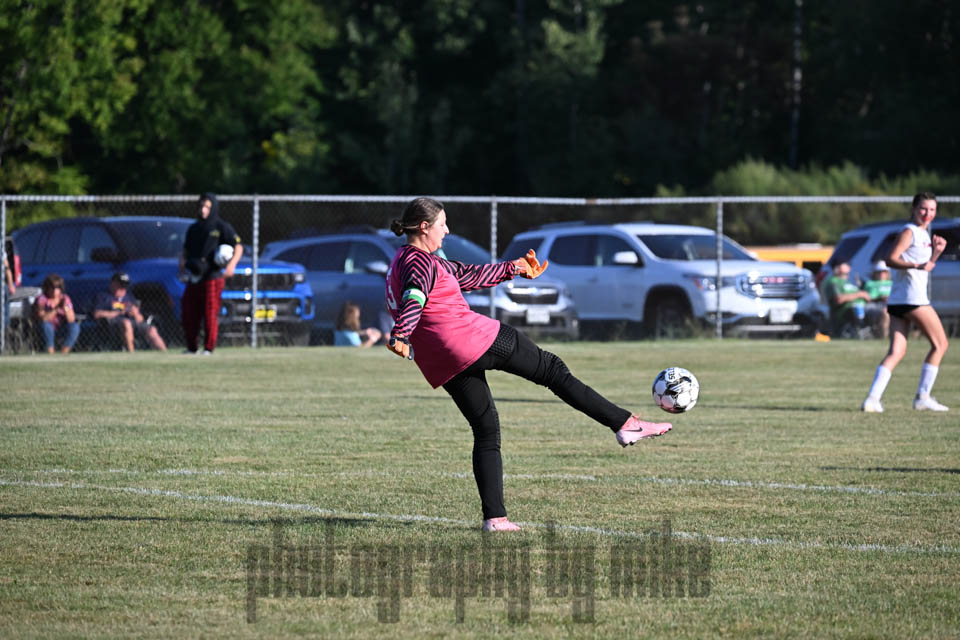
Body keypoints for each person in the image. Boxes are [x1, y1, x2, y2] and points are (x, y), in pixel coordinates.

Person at [384, 197, 671, 532]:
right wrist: (401, 332)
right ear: (424, 227)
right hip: (471, 338)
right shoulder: (419, 263)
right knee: (552, 369)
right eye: (442, 224)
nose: (446, 231)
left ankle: (496, 519)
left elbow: (466, 275)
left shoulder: (407, 260)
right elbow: (415, 295)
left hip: (443, 359)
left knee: (486, 429)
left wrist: (515, 268)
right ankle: (624, 424)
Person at [862, 192, 949, 412]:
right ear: (913, 208)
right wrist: (917, 266)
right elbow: (891, 259)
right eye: (923, 209)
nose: (927, 214)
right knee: (941, 344)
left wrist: (936, 254)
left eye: (932, 210)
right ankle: (922, 396)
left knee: (897, 351)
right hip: (913, 299)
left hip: (900, 300)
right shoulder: (910, 231)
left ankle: (872, 399)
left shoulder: (924, 233)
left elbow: (924, 266)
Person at [178, 192, 243, 354]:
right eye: (201, 206)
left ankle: (208, 347)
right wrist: (182, 262)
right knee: (189, 312)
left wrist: (231, 265)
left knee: (210, 313)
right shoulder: (193, 228)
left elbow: (238, 247)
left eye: (207, 206)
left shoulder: (221, 226)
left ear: (213, 208)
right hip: (194, 276)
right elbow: (185, 251)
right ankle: (191, 347)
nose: (203, 210)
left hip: (212, 277)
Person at [92, 272, 167, 352]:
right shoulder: (103, 296)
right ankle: (131, 354)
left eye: (125, 286)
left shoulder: (129, 297)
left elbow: (140, 319)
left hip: (133, 323)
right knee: (126, 323)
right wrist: (119, 312)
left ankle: (164, 354)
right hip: (112, 325)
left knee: (151, 329)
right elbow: (96, 314)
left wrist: (135, 314)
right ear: (113, 284)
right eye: (120, 285)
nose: (123, 288)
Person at [821, 261, 871, 337]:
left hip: (864, 308)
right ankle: (860, 332)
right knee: (856, 308)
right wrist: (859, 294)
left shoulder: (851, 282)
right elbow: (838, 299)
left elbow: (867, 296)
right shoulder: (833, 281)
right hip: (844, 313)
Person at [34, 273, 79, 354]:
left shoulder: (65, 298)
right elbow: (43, 319)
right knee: (46, 326)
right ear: (47, 288)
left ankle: (64, 353)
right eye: (52, 288)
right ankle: (50, 353)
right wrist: (57, 308)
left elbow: (71, 319)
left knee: (75, 327)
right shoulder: (42, 299)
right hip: (46, 329)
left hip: (62, 327)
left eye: (57, 288)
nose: (55, 291)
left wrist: (65, 308)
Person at [863, 260, 892, 338]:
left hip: (892, 303)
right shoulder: (870, 284)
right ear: (875, 273)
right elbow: (868, 298)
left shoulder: (892, 283)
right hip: (875, 305)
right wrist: (880, 297)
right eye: (879, 272)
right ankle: (884, 336)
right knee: (885, 311)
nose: (882, 274)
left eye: (884, 271)